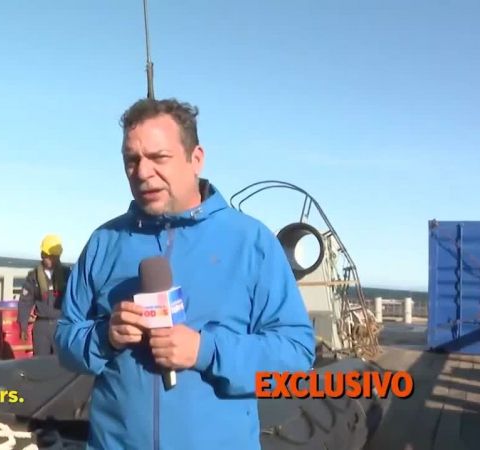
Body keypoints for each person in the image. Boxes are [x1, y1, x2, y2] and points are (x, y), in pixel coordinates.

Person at [54, 98, 315, 450]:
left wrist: (204, 350)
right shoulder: (104, 241)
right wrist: (105, 336)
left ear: (196, 158)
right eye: (132, 160)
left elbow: (295, 356)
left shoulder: (251, 242)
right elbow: (66, 340)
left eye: (159, 157)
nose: (142, 172)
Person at [17, 234, 71, 356]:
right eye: (50, 256)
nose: (53, 259)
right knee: (40, 362)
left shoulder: (67, 274)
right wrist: (23, 326)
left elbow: (76, 298)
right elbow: (25, 302)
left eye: (55, 256)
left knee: (61, 361)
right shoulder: (34, 276)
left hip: (61, 325)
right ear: (43, 255)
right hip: (41, 326)